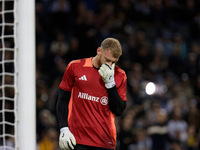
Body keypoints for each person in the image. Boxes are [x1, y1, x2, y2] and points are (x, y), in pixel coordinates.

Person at [56, 37, 127, 150]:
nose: (109, 65)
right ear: (99, 51)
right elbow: (62, 100)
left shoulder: (119, 75)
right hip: (77, 139)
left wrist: (110, 84)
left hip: (104, 142)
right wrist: (63, 128)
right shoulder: (75, 67)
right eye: (107, 59)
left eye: (113, 62)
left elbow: (119, 110)